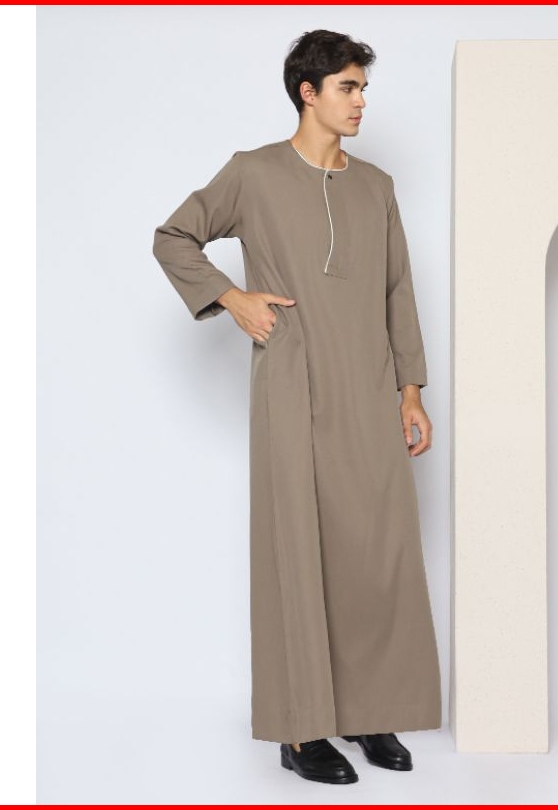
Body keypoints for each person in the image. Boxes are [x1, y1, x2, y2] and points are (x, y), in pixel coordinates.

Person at [152, 29, 441, 785]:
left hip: (369, 386)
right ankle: (301, 729)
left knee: (375, 551)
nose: (361, 101)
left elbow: (398, 289)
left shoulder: (376, 186)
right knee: (299, 550)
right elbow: (174, 236)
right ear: (308, 93)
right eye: (348, 87)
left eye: (363, 87)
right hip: (293, 385)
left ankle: (370, 710)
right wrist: (232, 297)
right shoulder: (253, 173)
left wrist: (410, 390)